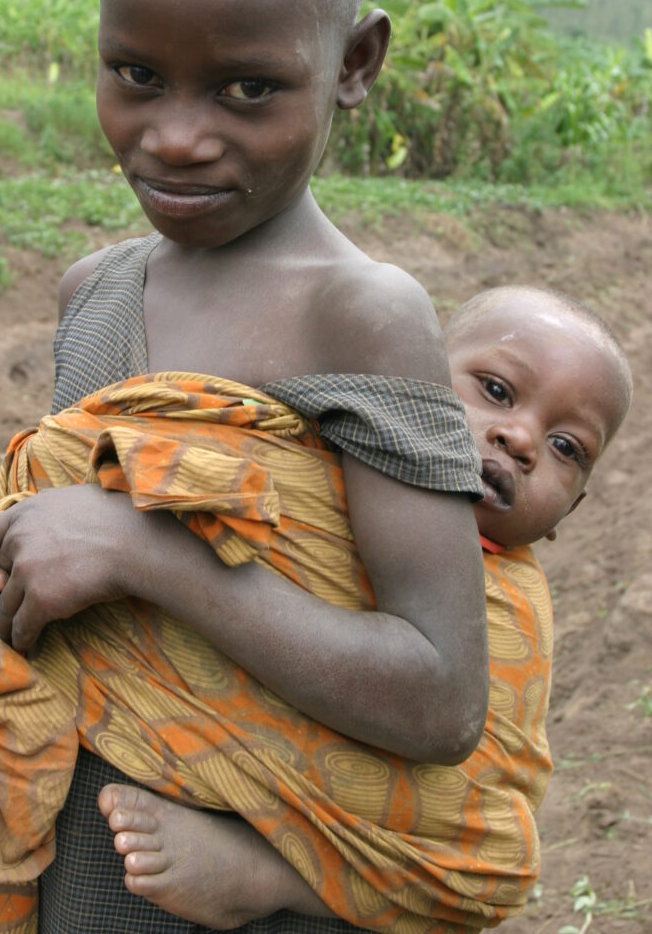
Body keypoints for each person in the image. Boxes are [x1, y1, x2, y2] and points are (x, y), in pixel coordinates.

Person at [0, 0, 494, 934]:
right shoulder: (93, 294)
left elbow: (439, 696)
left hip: (244, 891)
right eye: (136, 75)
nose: (176, 137)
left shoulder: (357, 316)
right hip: (60, 863)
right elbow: (65, 553)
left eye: (246, 89)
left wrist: (149, 555)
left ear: (353, 65)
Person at [94, 284, 632, 930]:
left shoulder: (516, 606)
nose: (520, 438)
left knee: (499, 863)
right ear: (407, 383)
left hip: (392, 814)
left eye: (566, 448)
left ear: (566, 515)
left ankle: (279, 877)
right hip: (221, 738)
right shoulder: (321, 478)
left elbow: (491, 777)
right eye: (495, 391)